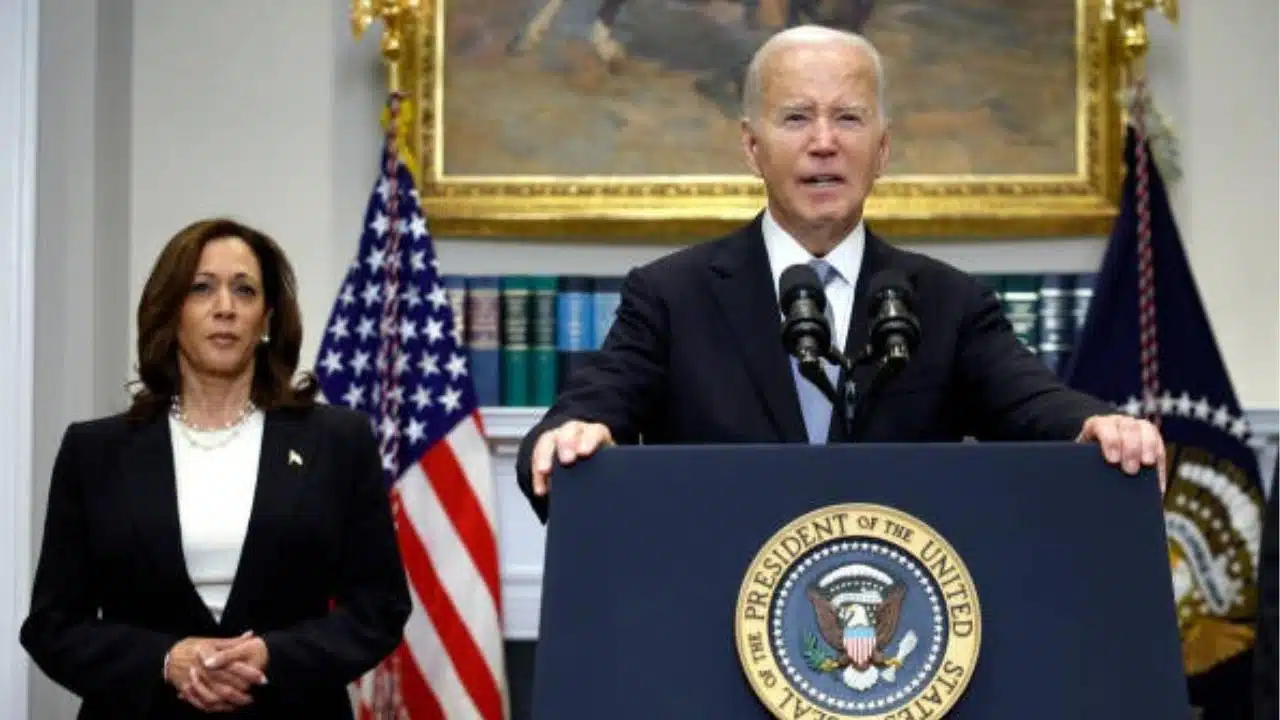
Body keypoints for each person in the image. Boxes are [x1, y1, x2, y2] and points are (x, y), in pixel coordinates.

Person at [514, 25, 1166, 524]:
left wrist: (1097, 426)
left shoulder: (946, 302)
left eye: (848, 118)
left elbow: (1037, 405)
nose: (823, 142)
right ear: (752, 147)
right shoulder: (670, 296)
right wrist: (569, 439)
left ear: (881, 151)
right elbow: (585, 415)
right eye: (796, 117)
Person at [20, 218, 412, 717]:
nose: (224, 308)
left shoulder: (337, 442)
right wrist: (164, 661)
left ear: (266, 318)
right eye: (202, 288)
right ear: (171, 312)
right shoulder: (94, 451)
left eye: (244, 291)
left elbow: (379, 608)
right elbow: (53, 625)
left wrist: (275, 656)